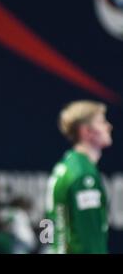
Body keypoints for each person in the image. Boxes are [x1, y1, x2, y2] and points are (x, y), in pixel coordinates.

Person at [46, 100, 112, 253]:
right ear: (86, 131)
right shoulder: (83, 175)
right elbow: (91, 240)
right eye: (102, 122)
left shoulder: (65, 166)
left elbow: (48, 226)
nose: (109, 126)